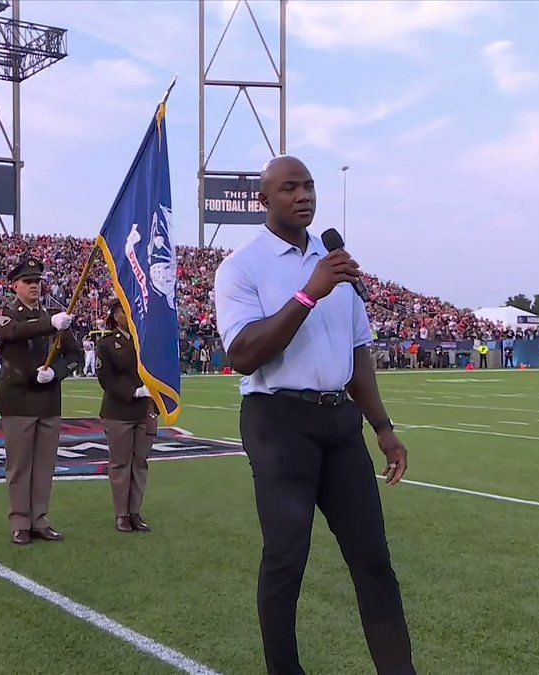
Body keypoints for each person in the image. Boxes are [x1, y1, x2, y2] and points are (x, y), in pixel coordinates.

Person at [213, 156, 415, 674]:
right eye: (289, 188)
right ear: (264, 200)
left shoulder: (336, 263)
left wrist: (383, 427)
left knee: (373, 562)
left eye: (308, 186)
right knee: (286, 559)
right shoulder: (242, 266)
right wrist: (308, 292)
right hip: (279, 422)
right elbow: (242, 354)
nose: (303, 195)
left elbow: (359, 353)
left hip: (338, 421)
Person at [0, 257, 82, 545]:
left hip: (46, 399)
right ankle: (20, 520)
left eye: (38, 281)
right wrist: (49, 324)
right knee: (19, 466)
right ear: (15, 285)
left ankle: (39, 519)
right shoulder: (8, 314)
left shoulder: (56, 318)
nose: (34, 286)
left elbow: (76, 355)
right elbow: (10, 333)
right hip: (18, 399)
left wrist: (57, 372)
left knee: (44, 465)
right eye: (28, 281)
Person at [95, 298, 157, 533]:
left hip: (145, 410)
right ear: (114, 314)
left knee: (140, 463)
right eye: (123, 310)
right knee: (121, 463)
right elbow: (106, 379)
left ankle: (135, 511)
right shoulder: (108, 344)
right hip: (119, 410)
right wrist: (133, 391)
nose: (127, 314)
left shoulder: (146, 340)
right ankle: (121, 513)